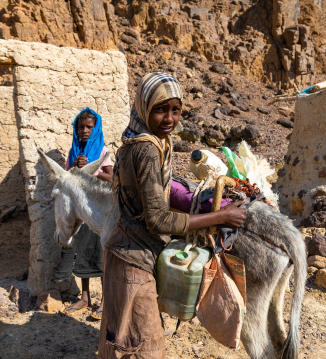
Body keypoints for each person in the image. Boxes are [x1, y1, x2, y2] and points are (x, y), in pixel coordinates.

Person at [98, 72, 247, 358]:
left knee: (122, 336)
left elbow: (139, 193)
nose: (169, 119)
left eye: (175, 110)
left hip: (124, 253)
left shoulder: (139, 139)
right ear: (144, 107)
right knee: (145, 346)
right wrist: (220, 216)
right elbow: (158, 220)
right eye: (160, 109)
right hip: (133, 261)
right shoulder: (146, 149)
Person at [54, 107, 112, 320]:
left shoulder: (102, 151)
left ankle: (106, 301)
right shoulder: (74, 151)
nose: (85, 130)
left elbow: (112, 177)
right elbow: (67, 178)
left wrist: (92, 169)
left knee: (101, 256)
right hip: (80, 212)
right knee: (82, 255)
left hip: (96, 211)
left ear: (96, 129)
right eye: (81, 127)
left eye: (89, 127)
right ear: (76, 129)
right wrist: (74, 169)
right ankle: (85, 297)